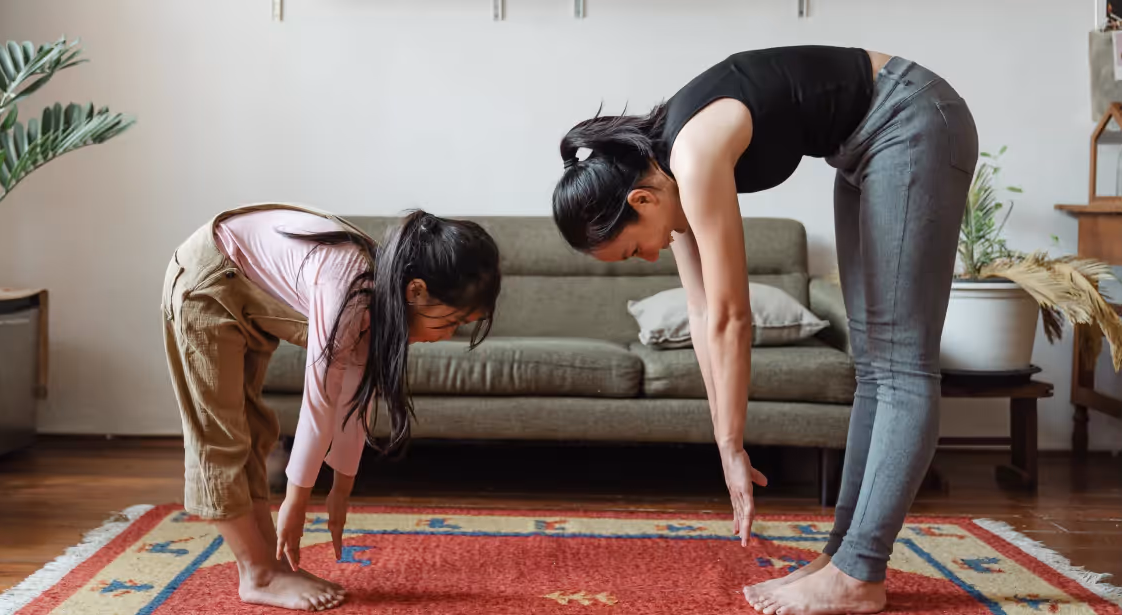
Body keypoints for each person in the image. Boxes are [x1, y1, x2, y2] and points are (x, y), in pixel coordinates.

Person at [550, 46, 977, 615]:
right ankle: (843, 558)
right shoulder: (665, 173)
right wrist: (723, 440)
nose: (647, 256)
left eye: (633, 247)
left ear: (641, 200)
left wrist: (733, 445)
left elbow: (732, 316)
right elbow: (702, 314)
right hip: (862, 145)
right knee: (875, 365)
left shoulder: (693, 157)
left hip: (911, 118)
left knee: (900, 362)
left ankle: (859, 574)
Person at [161, 203, 501, 611]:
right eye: (452, 321)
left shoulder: (382, 300)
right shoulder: (351, 287)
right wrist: (296, 501)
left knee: (254, 430)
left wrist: (340, 492)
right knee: (220, 437)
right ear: (417, 291)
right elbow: (319, 399)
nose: (448, 336)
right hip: (208, 283)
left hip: (242, 289)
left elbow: (351, 398)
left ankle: (271, 568)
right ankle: (259, 575)